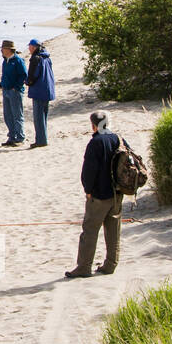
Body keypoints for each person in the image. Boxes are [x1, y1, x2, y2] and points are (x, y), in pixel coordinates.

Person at [66, 110, 122, 277]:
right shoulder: (117, 138)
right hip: (117, 194)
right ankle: (111, 264)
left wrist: (88, 191)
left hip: (99, 195)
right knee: (113, 230)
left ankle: (84, 267)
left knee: (90, 231)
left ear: (93, 125)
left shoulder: (95, 142)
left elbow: (88, 172)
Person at [25, 39, 55, 147]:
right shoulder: (46, 57)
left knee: (38, 117)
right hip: (47, 89)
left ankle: (41, 140)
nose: (28, 48)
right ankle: (43, 138)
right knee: (44, 115)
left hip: (39, 90)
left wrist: (27, 82)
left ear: (34, 47)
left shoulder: (36, 58)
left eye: (29, 46)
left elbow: (33, 75)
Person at [0, 40, 27, 146]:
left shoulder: (18, 60)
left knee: (17, 115)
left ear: (9, 49)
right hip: (6, 90)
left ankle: (20, 137)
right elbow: (4, 74)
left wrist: (16, 87)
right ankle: (12, 136)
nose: (1, 50)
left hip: (15, 91)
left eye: (3, 48)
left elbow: (23, 75)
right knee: (7, 115)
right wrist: (2, 83)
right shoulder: (5, 60)